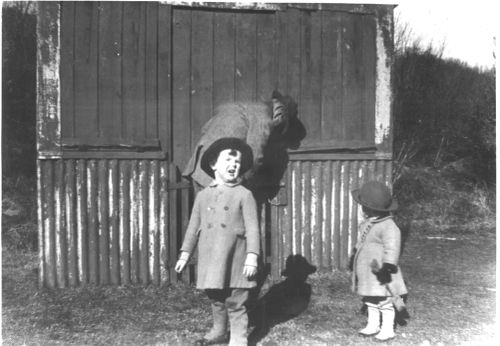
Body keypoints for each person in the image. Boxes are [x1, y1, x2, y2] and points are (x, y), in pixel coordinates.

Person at [175, 137, 261, 346]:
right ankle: (219, 331)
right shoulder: (203, 195)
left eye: (237, 163)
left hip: (236, 258)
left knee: (236, 300)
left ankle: (238, 339)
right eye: (228, 161)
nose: (233, 166)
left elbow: (253, 228)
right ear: (213, 165)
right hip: (211, 257)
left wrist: (252, 257)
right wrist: (185, 253)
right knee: (215, 297)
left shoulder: (244, 194)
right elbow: (193, 227)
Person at [349, 181, 408, 341]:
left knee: (385, 301)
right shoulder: (368, 223)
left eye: (364, 206)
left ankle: (387, 329)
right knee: (370, 299)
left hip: (382, 273)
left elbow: (393, 247)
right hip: (368, 272)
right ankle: (373, 325)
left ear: (370, 208)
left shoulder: (389, 226)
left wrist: (388, 266)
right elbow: (361, 242)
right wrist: (354, 255)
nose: (362, 209)